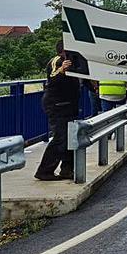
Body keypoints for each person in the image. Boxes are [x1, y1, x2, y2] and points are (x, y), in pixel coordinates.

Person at [34, 40, 80, 181]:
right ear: (63, 52)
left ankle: (67, 169)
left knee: (71, 137)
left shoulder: (76, 62)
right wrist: (62, 70)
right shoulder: (56, 62)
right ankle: (44, 170)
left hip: (69, 104)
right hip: (56, 104)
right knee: (60, 137)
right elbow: (52, 78)